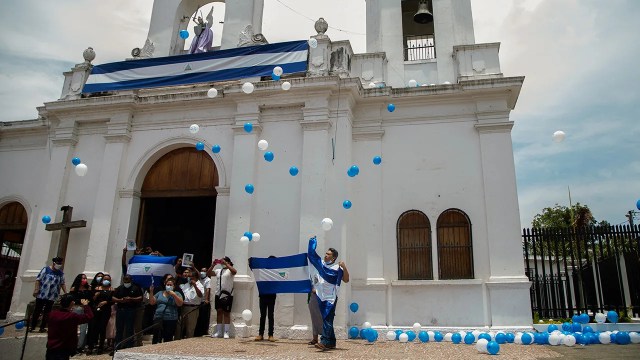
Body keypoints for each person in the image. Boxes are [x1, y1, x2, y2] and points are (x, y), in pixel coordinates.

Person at [307, 237, 349, 351]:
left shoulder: (337, 267)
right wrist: (312, 242)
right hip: (321, 296)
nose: (326, 255)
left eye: (328, 254)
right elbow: (311, 255)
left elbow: (346, 280)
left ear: (334, 257)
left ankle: (324, 341)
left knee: (327, 319)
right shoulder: (321, 265)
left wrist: (344, 267)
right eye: (325, 253)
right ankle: (331, 342)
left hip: (331, 298)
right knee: (327, 319)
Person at [45, 294, 93, 360]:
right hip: (63, 349)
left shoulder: (51, 315)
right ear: (72, 303)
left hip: (51, 348)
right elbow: (89, 316)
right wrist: (86, 305)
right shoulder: (71, 317)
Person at [31, 257, 67, 333]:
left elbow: (62, 283)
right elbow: (38, 280)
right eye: (58, 263)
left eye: (60, 264)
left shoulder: (60, 273)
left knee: (47, 312)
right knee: (37, 310)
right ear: (54, 263)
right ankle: (32, 326)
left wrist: (65, 292)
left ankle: (42, 327)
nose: (59, 265)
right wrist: (36, 289)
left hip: (52, 295)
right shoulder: (46, 270)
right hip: (42, 294)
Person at [207, 256, 236, 338]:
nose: (222, 263)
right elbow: (208, 274)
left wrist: (227, 264)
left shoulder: (229, 271)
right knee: (219, 312)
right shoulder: (218, 271)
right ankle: (219, 331)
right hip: (218, 294)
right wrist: (213, 265)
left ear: (229, 262)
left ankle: (226, 332)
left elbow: (234, 272)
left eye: (224, 261)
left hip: (227, 294)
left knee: (226, 313)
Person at [112, 274, 143, 352]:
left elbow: (140, 297)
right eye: (125, 280)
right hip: (120, 310)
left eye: (128, 280)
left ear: (131, 280)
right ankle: (117, 347)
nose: (126, 281)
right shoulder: (120, 288)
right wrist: (120, 300)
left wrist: (131, 298)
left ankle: (129, 347)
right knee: (119, 329)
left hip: (131, 310)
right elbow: (113, 297)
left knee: (129, 329)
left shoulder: (135, 288)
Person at [149, 278, 183, 343]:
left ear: (174, 286)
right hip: (159, 317)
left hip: (170, 318)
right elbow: (152, 302)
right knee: (157, 337)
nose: (169, 286)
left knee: (168, 337)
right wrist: (151, 291)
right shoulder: (160, 293)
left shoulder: (177, 293)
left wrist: (173, 295)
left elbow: (180, 304)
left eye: (171, 285)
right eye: (168, 284)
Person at [86, 274, 114, 355]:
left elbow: (113, 301)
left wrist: (106, 302)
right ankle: (90, 347)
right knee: (94, 328)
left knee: (102, 329)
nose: (106, 281)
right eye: (105, 279)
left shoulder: (112, 290)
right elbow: (91, 300)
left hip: (106, 311)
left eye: (108, 279)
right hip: (96, 310)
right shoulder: (97, 289)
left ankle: (101, 347)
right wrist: (96, 295)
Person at [176, 268, 204, 339]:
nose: (190, 279)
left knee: (190, 328)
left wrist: (195, 286)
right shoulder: (185, 285)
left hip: (192, 308)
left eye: (191, 278)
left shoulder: (200, 285)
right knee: (179, 327)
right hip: (183, 306)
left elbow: (200, 295)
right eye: (189, 277)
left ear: (196, 278)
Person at [255, 255, 277, 342]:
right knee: (262, 315)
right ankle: (261, 334)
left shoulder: (276, 272)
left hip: (271, 295)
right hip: (263, 295)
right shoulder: (263, 270)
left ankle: (271, 335)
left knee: (270, 315)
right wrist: (251, 263)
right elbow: (255, 271)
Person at [69, 273, 92, 353]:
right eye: (83, 278)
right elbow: (72, 299)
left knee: (83, 329)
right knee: (74, 328)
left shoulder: (88, 289)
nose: (85, 280)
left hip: (85, 308)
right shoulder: (74, 289)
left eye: (85, 278)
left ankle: (80, 346)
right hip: (77, 308)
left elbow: (90, 299)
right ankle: (72, 345)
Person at [194, 266, 212, 337]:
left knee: (203, 317)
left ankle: (203, 331)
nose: (202, 272)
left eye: (204, 271)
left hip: (204, 301)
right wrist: (193, 267)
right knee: (198, 317)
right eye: (201, 270)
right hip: (198, 301)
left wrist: (206, 299)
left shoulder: (208, 280)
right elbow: (198, 273)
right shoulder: (199, 279)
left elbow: (208, 289)